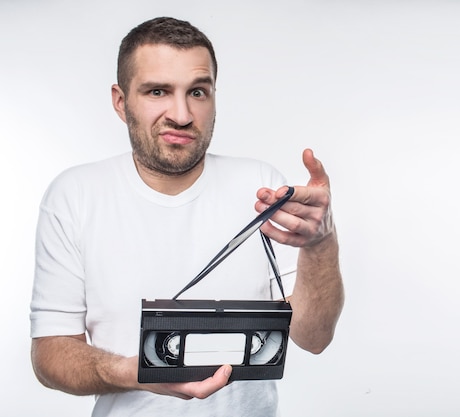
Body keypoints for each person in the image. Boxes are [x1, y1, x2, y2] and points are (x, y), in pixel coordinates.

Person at [29, 16, 344, 417]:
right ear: (121, 101)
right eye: (158, 91)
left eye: (197, 91)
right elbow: (50, 353)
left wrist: (321, 244)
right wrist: (135, 372)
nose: (181, 114)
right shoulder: (74, 196)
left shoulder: (261, 186)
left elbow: (313, 337)